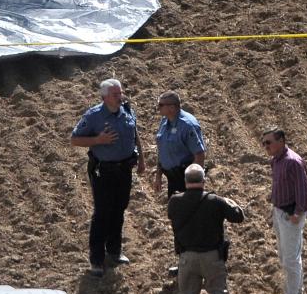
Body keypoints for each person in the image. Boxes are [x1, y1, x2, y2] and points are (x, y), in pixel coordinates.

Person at [70, 78, 145, 276]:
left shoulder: (127, 111)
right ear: (104, 97)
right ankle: (96, 259)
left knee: (119, 209)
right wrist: (98, 140)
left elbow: (135, 135)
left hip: (124, 169)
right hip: (103, 171)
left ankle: (114, 251)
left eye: (120, 93)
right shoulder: (93, 116)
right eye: (115, 94)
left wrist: (142, 159)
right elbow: (75, 139)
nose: (120, 97)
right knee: (102, 213)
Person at [167, 164, 244, 294]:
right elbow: (238, 217)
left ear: (185, 182)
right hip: (212, 257)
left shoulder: (175, 201)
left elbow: (172, 216)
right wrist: (231, 202)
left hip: (187, 257)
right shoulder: (215, 201)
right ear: (204, 181)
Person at [263, 128, 307, 294]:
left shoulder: (293, 161)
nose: (266, 147)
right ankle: (296, 293)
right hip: (280, 211)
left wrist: (297, 213)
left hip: (291, 214)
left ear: (281, 140)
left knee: (291, 260)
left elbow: (304, 189)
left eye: (269, 142)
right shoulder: (277, 160)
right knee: (285, 256)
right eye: (264, 143)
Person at [153, 91, 206, 197]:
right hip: (172, 178)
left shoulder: (187, 125)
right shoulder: (164, 121)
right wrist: (158, 176)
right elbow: (162, 149)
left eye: (161, 105)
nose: (158, 107)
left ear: (172, 108)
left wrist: (192, 184)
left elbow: (199, 155)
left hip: (185, 178)